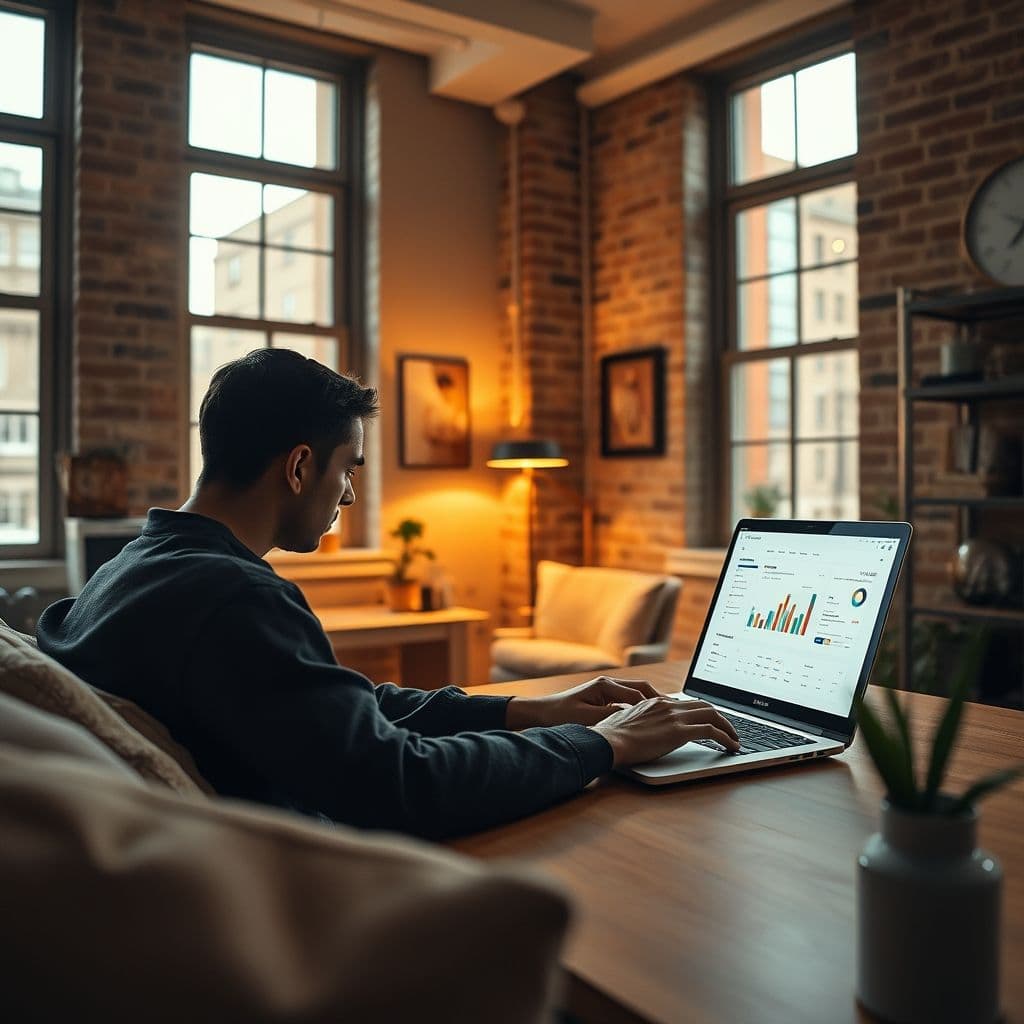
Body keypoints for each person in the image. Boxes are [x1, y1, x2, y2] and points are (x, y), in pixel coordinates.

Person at [37, 349, 739, 839]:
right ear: (300, 465)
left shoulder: (138, 567)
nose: (348, 493)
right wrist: (597, 745)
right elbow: (402, 784)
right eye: (350, 469)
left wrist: (527, 710)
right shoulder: (233, 597)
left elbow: (343, 707)